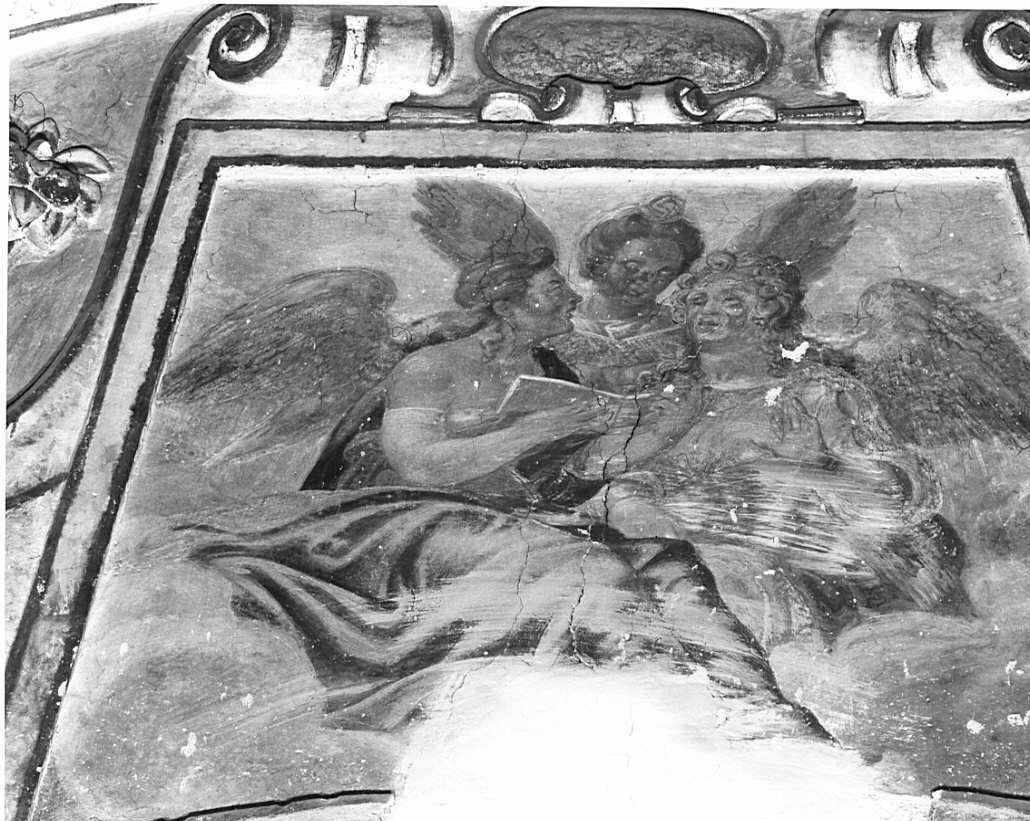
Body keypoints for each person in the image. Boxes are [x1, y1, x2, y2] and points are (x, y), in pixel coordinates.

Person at [186, 248, 826, 738]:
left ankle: (756, 704)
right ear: (507, 304)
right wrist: (540, 427)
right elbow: (419, 462)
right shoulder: (433, 365)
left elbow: (582, 473)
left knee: (669, 563)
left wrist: (661, 425)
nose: (572, 297)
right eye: (554, 290)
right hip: (415, 516)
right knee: (593, 569)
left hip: (520, 513)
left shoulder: (551, 371)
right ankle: (670, 710)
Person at [587, 250, 970, 652]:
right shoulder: (669, 399)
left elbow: (895, 497)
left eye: (731, 300)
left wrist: (813, 463)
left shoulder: (814, 392)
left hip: (799, 577)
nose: (707, 311)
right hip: (673, 560)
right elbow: (617, 479)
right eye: (698, 301)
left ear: (767, 312)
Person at [544, 194, 705, 395]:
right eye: (632, 267)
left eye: (664, 273)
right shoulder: (557, 325)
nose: (647, 280)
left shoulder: (679, 329)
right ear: (600, 263)